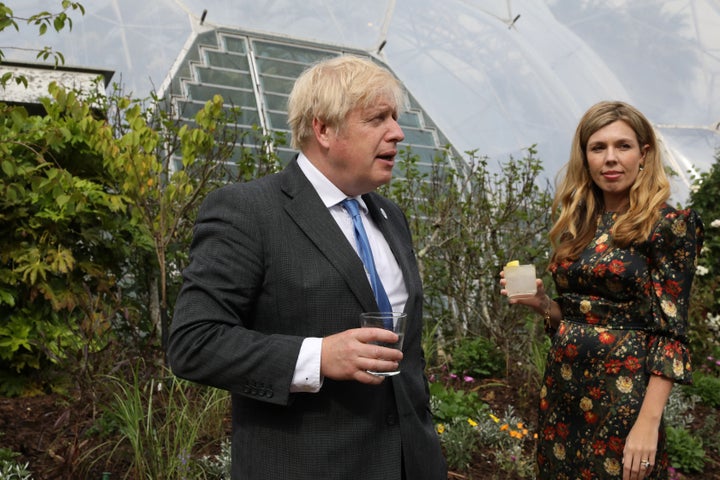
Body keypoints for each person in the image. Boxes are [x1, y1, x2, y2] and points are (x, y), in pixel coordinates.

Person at [167, 55, 447, 480]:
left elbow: (409, 354)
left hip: (411, 461)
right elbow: (194, 342)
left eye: (395, 117)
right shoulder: (249, 212)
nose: (398, 133)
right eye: (378, 119)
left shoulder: (391, 217)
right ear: (324, 129)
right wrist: (318, 356)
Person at [500, 101, 704, 480]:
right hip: (562, 394)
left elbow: (671, 333)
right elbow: (576, 316)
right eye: (598, 148)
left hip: (623, 400)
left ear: (644, 154)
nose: (611, 158)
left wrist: (647, 424)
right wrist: (543, 303)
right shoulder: (579, 224)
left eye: (622, 146)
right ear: (585, 157)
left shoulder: (669, 226)